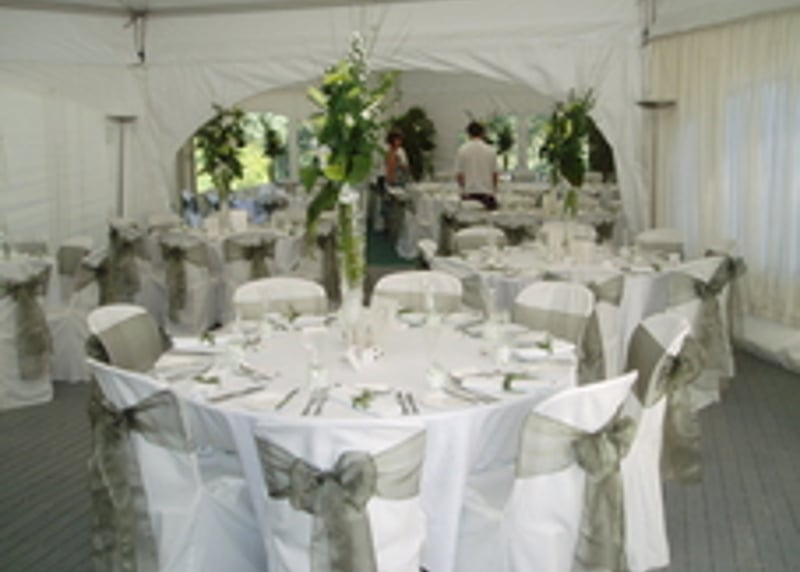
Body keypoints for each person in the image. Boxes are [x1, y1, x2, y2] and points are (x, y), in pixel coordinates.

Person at [454, 121, 498, 210]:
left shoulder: (462, 150)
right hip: (486, 196)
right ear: (483, 133)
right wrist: (493, 191)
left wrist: (463, 189)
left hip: (469, 195)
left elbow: (459, 176)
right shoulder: (491, 150)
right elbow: (495, 175)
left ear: (468, 134)